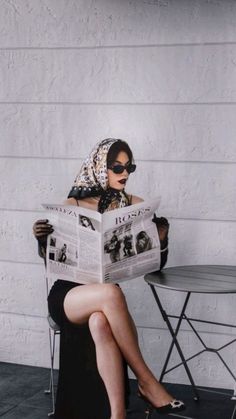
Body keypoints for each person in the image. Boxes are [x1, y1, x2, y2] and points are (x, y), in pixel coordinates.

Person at [33, 138, 185, 419]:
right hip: (68, 296)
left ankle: (117, 414)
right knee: (111, 293)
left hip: (102, 300)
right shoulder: (73, 204)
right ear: (100, 168)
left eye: (130, 167)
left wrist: (161, 240)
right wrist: (42, 239)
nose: (125, 174)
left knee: (100, 321)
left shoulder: (133, 205)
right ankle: (147, 381)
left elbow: (155, 263)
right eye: (117, 168)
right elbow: (52, 261)